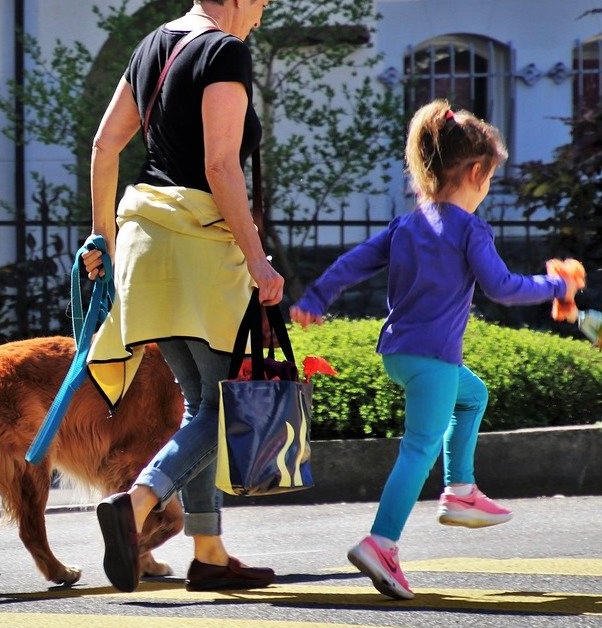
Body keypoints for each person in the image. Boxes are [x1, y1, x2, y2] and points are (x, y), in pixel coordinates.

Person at [289, 99, 581, 600]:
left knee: (473, 396)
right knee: (418, 449)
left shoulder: (407, 224)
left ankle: (461, 489)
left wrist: (316, 298)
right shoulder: (470, 228)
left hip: (399, 355)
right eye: (489, 177)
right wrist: (556, 286)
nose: (488, 187)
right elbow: (503, 287)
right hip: (433, 361)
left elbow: (354, 261)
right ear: (475, 172)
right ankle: (381, 542)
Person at [80, 0, 283, 593]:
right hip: (199, 247)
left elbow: (104, 145)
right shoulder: (225, 50)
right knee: (227, 408)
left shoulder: (154, 43)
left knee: (202, 404)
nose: (264, 9)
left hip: (146, 245)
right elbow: (221, 165)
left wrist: (103, 241)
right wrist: (256, 258)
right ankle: (138, 504)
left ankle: (210, 552)